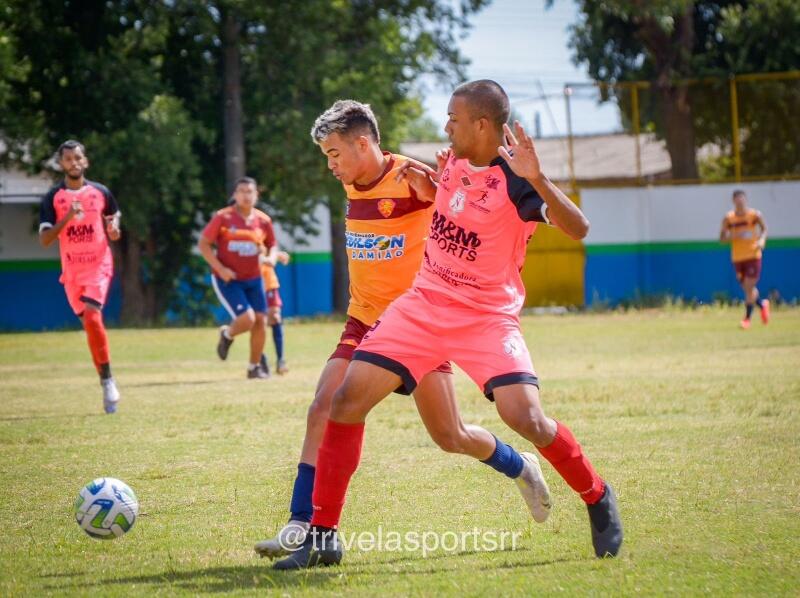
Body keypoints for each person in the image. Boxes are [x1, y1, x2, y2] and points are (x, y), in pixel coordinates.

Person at [277, 81, 624, 570]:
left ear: (483, 125)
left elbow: (579, 227)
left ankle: (596, 495)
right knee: (344, 400)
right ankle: (323, 536)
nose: (445, 126)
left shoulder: (517, 179)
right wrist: (437, 185)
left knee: (526, 419)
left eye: (453, 118)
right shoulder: (451, 163)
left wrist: (539, 180)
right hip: (423, 304)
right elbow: (449, 204)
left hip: (485, 316)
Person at [39, 140, 122, 414]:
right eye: (68, 159)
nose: (74, 163)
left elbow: (114, 215)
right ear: (61, 164)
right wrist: (68, 218)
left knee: (93, 315)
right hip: (72, 271)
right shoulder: (53, 198)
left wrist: (114, 229)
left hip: (99, 265)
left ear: (85, 161)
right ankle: (105, 379)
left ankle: (108, 381)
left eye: (78, 158)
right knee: (90, 326)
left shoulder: (100, 192)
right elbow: (45, 239)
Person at [199, 177, 277, 379]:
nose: (246, 195)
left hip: (254, 278)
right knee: (247, 319)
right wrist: (220, 268)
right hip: (228, 280)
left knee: (261, 320)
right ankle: (227, 334)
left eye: (250, 191)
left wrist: (272, 258)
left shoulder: (263, 220)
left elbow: (272, 245)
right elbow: (204, 244)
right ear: (234, 195)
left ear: (256, 195)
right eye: (241, 191)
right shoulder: (223, 217)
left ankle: (254, 368)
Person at [719, 189, 769, 329]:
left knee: (748, 287)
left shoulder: (754, 215)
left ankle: (747, 319)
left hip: (753, 255)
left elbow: (764, 230)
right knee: (748, 289)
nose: (740, 202)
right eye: (737, 199)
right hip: (738, 258)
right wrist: (732, 237)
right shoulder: (729, 218)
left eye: (742, 199)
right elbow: (721, 238)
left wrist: (762, 241)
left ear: (745, 200)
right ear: (733, 201)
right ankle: (762, 304)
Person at [259, 249, 291, 375]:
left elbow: (270, 248)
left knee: (276, 318)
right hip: (253, 284)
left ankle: (281, 360)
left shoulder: (264, 231)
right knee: (257, 322)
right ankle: (260, 360)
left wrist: (279, 254)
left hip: (269, 284)